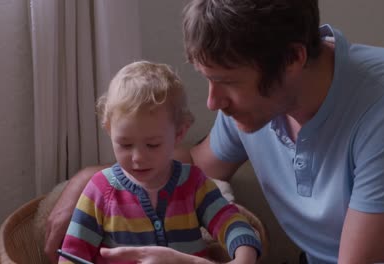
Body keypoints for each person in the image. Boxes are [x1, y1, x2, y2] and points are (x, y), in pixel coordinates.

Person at [46, 0, 384, 263]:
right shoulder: (255, 107)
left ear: (293, 58)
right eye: (207, 80)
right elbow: (196, 165)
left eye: (228, 82)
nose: (212, 102)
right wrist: (88, 178)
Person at [57, 61, 261, 264]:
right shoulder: (100, 190)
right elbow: (71, 254)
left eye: (153, 145)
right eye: (125, 144)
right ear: (109, 130)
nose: (137, 157)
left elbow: (232, 223)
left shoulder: (194, 183)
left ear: (179, 133)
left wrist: (244, 255)